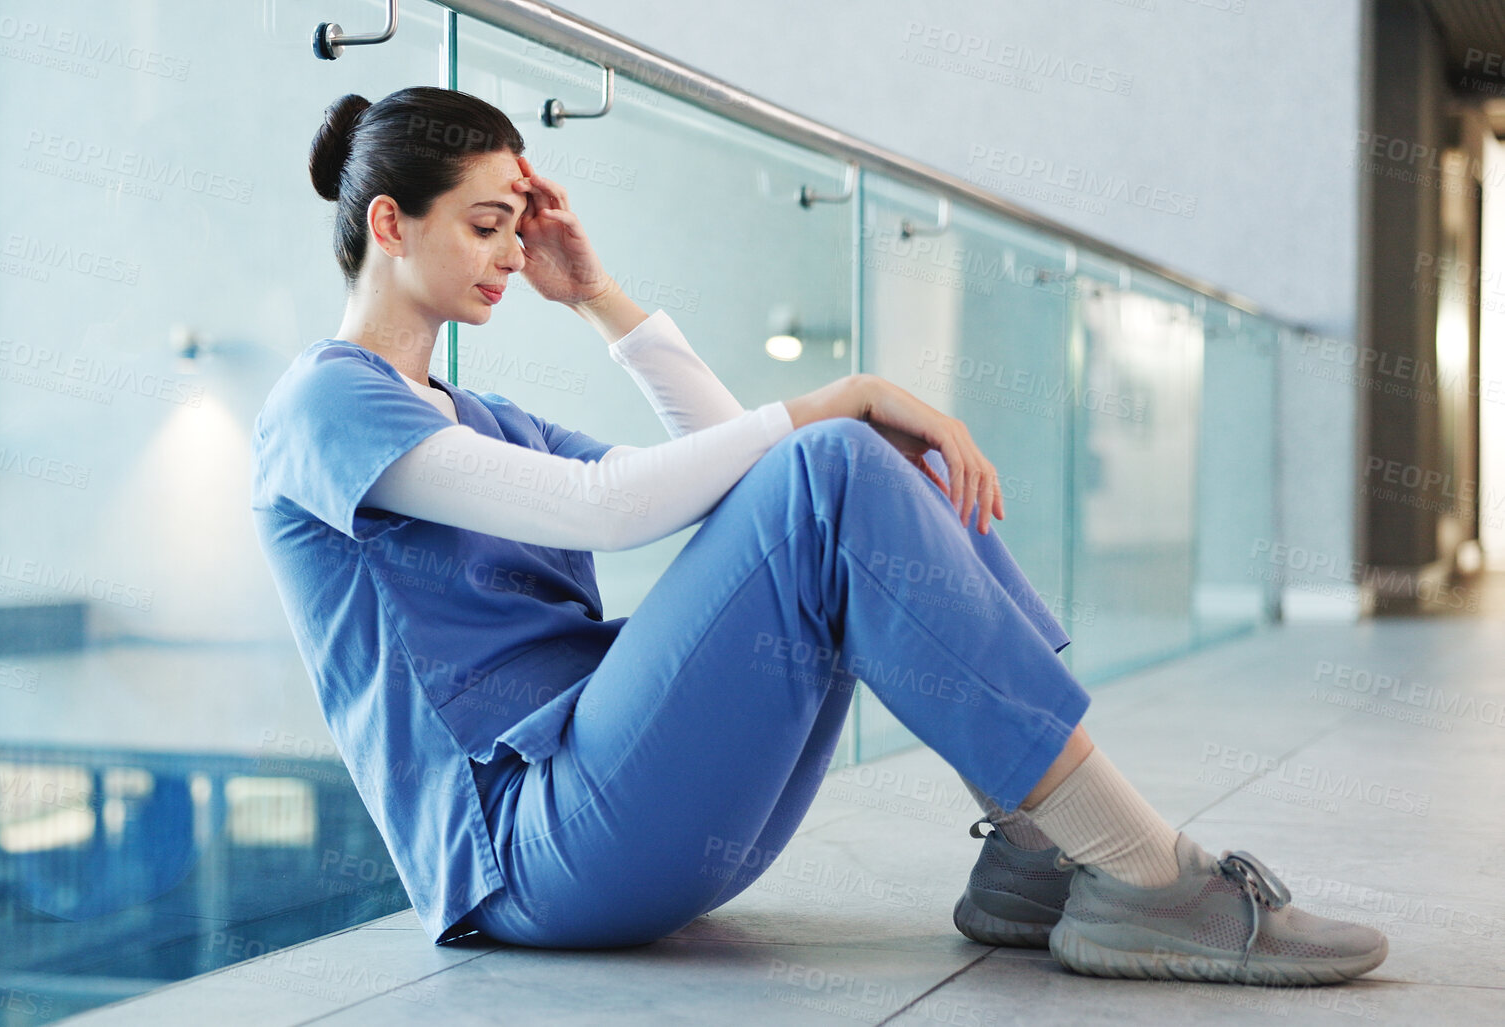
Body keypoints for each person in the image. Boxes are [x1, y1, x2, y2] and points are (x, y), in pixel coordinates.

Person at [249, 85, 1387, 985]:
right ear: (390, 223)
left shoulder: (478, 413)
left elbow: (737, 462)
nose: (510, 251)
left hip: (623, 817)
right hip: (528, 856)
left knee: (841, 469)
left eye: (517, 227)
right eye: (487, 225)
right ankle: (1142, 870)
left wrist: (600, 297)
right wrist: (841, 397)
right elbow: (614, 506)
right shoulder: (326, 403)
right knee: (835, 458)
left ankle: (1036, 853)